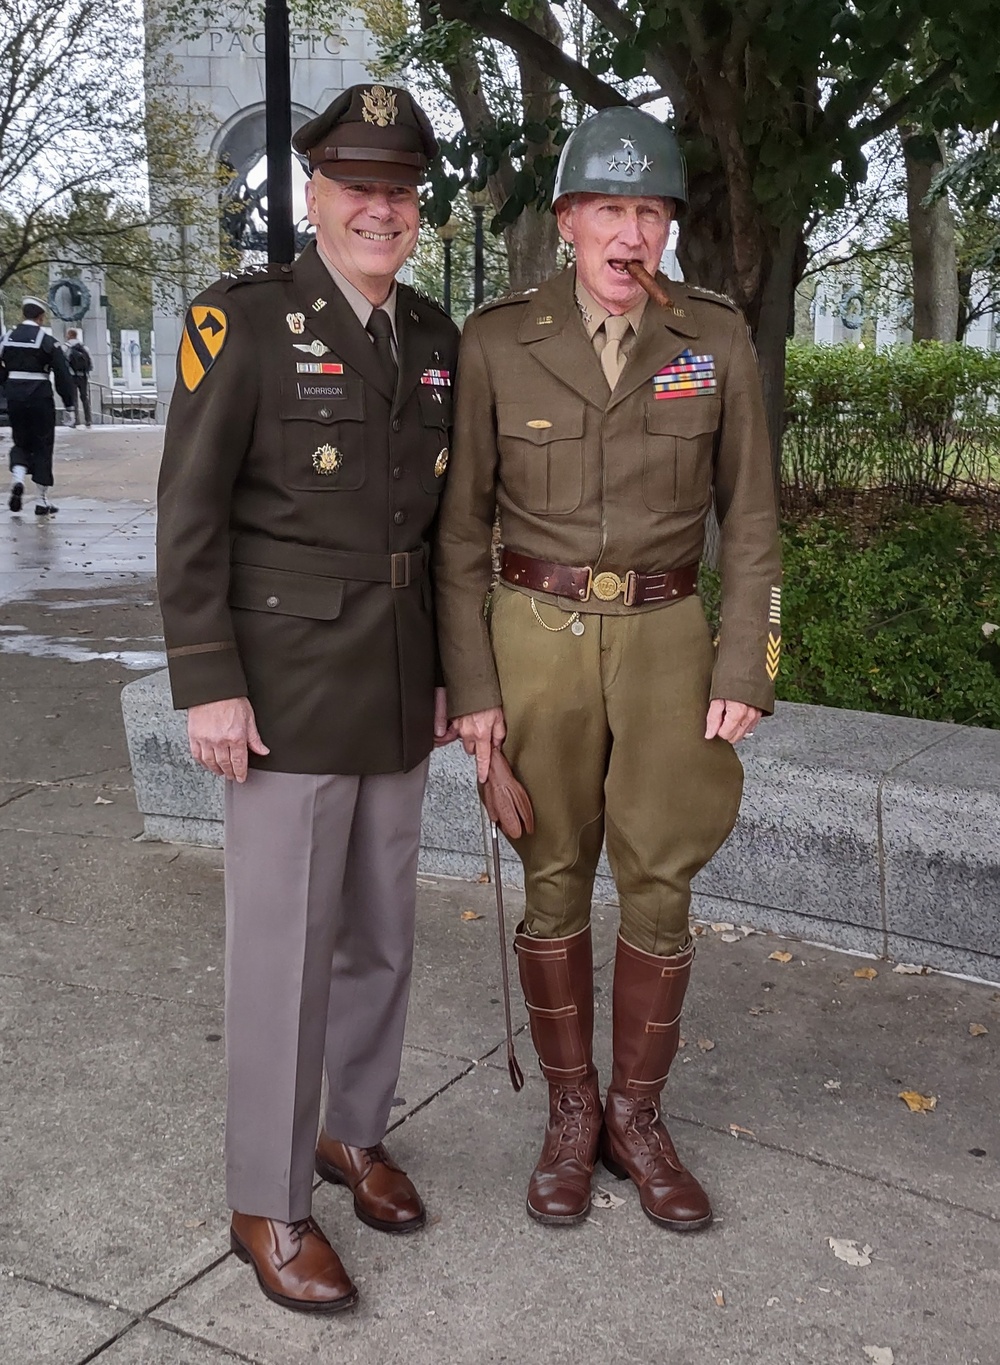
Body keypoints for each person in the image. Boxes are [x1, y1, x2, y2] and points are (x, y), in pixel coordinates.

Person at [435, 106, 781, 1232]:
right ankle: (570, 1112)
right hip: (534, 637)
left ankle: (638, 1112)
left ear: (667, 225)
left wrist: (747, 660)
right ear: (569, 222)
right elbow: (456, 534)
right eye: (609, 212)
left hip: (672, 641)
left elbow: (756, 523)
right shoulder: (496, 341)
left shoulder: (714, 338)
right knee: (549, 871)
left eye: (650, 212)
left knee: (661, 876)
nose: (630, 235)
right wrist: (475, 693)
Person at [156, 84, 460, 1313]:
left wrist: (449, 677)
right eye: (356, 186)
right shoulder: (244, 322)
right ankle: (266, 1200)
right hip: (278, 694)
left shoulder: (432, 336)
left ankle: (350, 1133)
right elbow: (188, 522)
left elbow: (442, 529)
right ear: (315, 194)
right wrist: (209, 686)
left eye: (398, 190)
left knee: (381, 937)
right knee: (282, 956)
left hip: (396, 682)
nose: (379, 208)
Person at [1, 297, 75, 515]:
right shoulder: (47, 341)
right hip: (40, 397)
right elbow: (62, 375)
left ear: (23, 314)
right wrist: (69, 404)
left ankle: (18, 478)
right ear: (41, 317)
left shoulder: (6, 339)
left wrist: (7, 383)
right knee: (43, 444)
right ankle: (42, 500)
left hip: (14, 396)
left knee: (20, 441)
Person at [64, 328, 94, 426]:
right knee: (84, 397)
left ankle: (76, 420)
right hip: (83, 376)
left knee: (74, 398)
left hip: (72, 376)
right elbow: (91, 362)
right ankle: (88, 419)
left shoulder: (66, 346)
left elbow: (63, 361)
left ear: (69, 335)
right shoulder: (84, 347)